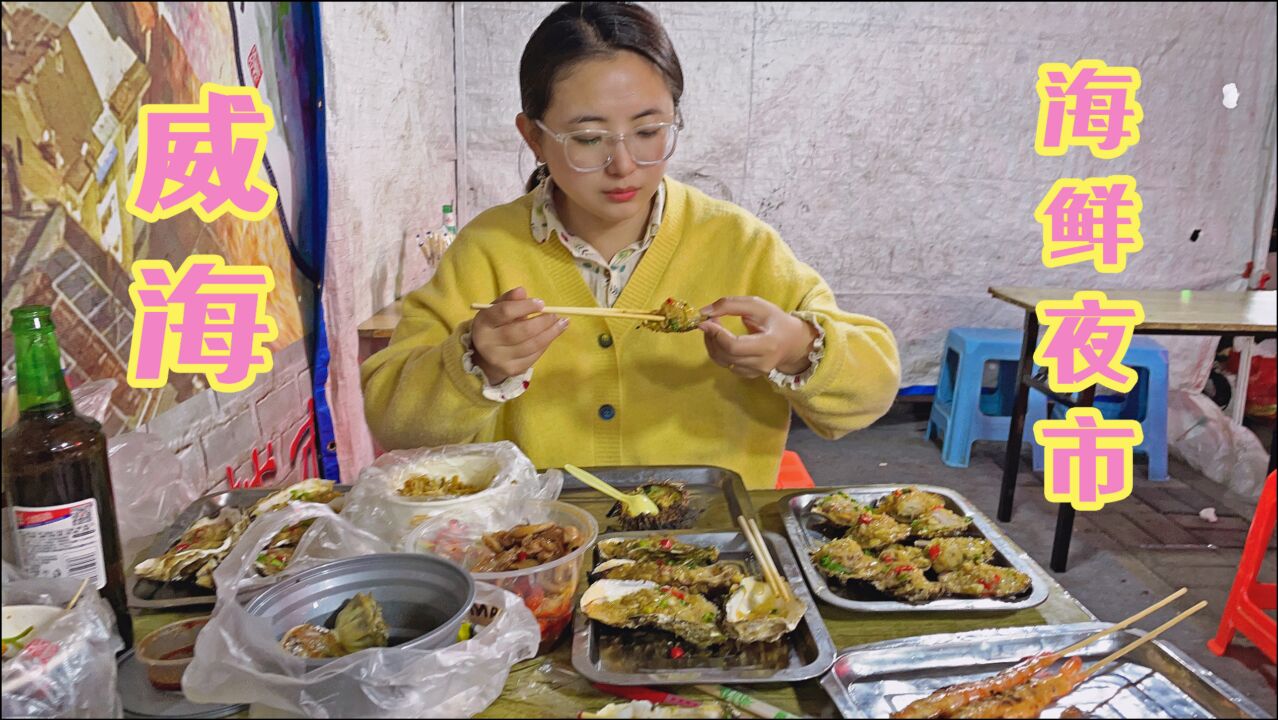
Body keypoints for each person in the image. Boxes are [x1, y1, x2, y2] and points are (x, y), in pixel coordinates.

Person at [361, 1, 900, 489]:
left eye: (648, 132)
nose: (623, 165)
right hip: (534, 550)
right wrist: (474, 364)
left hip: (710, 553)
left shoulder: (741, 244)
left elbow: (872, 390)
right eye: (589, 138)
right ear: (534, 137)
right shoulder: (488, 249)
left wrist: (798, 346)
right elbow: (393, 421)